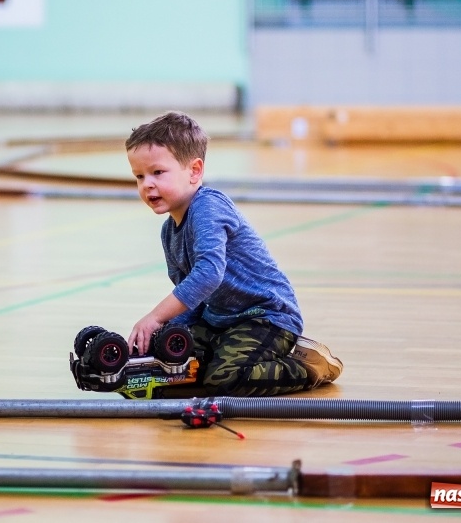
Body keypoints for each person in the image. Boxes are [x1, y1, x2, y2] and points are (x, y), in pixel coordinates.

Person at [125, 111, 342, 397]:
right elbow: (193, 298)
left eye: (157, 172)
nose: (147, 184)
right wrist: (160, 336)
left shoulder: (208, 207)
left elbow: (208, 275)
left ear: (194, 171)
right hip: (219, 321)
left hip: (264, 317)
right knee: (170, 365)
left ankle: (308, 367)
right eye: (139, 176)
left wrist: (155, 317)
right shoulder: (169, 232)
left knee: (226, 380)